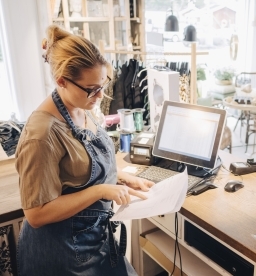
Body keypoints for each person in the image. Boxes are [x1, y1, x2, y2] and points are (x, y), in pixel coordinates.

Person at [15, 25, 154, 275]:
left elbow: (78, 168)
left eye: (103, 85)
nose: (100, 96)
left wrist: (120, 178)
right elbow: (36, 213)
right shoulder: (42, 134)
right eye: (92, 89)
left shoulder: (81, 107)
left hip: (94, 240)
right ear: (61, 81)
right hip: (61, 252)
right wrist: (101, 190)